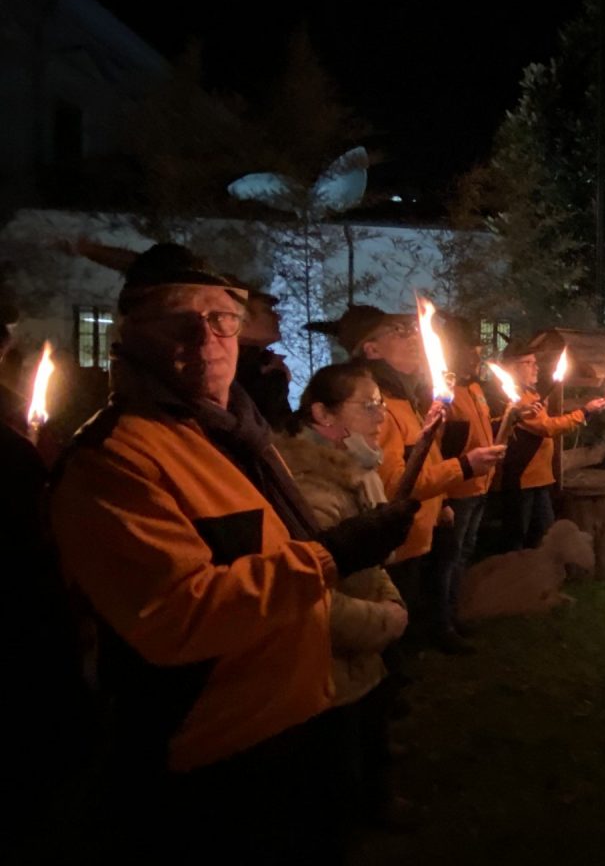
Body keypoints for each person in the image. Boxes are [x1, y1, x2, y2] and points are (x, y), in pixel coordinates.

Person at [48, 244, 419, 863]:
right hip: (214, 751)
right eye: (178, 319)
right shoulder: (115, 461)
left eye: (221, 318)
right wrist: (332, 557)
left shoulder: (238, 435)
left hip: (297, 715)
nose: (206, 336)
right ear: (131, 332)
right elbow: (177, 618)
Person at [316, 304, 505, 655]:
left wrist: (443, 503)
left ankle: (429, 638)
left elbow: (424, 458)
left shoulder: (405, 400)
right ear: (371, 349)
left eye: (413, 330)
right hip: (397, 543)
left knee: (416, 607)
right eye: (399, 332)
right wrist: (463, 467)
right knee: (390, 631)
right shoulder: (377, 407)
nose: (415, 337)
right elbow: (392, 487)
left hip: (420, 529)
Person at [273, 363, 409, 827]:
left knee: (368, 733)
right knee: (338, 763)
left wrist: (389, 601)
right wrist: (382, 622)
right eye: (367, 406)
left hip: (358, 648)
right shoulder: (312, 494)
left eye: (381, 404)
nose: (381, 416)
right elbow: (309, 598)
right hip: (329, 662)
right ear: (323, 415)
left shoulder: (354, 472)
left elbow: (365, 560)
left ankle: (373, 802)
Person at [498, 342, 605, 550]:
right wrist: (584, 411)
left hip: (540, 477)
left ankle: (538, 575)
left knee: (543, 534)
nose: (536, 367)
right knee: (517, 537)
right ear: (512, 368)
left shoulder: (532, 395)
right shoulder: (515, 399)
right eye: (529, 363)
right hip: (523, 478)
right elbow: (547, 427)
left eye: (536, 362)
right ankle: (514, 576)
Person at [441, 318, 495, 633]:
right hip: (457, 488)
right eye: (471, 353)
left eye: (479, 353)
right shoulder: (443, 393)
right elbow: (440, 445)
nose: (476, 359)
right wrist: (444, 497)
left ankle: (457, 611)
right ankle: (443, 622)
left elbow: (481, 427)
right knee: (449, 557)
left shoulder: (475, 389)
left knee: (465, 552)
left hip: (481, 484)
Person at [229, 278, 292, 431]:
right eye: (267, 311)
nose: (278, 317)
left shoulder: (259, 365)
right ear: (240, 318)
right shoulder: (233, 369)